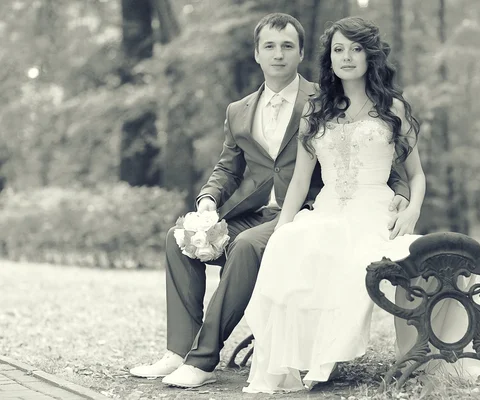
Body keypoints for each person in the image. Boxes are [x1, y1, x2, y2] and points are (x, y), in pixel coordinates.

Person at [129, 13, 413, 388]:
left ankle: (202, 360)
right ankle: (178, 352)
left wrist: (402, 199)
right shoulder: (239, 110)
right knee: (178, 239)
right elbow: (227, 168)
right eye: (269, 46)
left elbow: (385, 163)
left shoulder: (329, 98)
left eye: (287, 46)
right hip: (257, 211)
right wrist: (208, 201)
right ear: (257, 54)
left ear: (301, 54)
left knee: (245, 247)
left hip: (308, 214)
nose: (278, 54)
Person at [242, 16, 480, 394]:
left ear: (370, 55)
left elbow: (416, 175)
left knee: (388, 259)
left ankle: (422, 354)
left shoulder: (393, 108)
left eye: (356, 48)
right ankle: (302, 359)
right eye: (338, 50)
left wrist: (411, 210)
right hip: (327, 210)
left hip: (376, 212)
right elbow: (301, 180)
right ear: (329, 59)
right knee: (290, 245)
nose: (347, 57)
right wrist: (285, 222)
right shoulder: (315, 111)